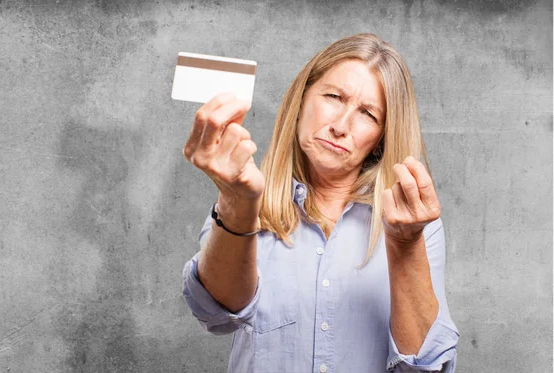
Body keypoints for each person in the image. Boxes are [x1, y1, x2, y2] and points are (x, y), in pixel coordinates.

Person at [181, 33, 460, 373]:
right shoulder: (245, 201)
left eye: (368, 115)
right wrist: (238, 203)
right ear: (301, 100)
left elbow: (425, 366)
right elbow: (214, 312)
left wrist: (406, 243)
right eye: (333, 97)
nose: (341, 126)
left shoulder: (413, 225)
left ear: (379, 140)